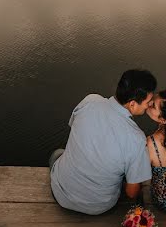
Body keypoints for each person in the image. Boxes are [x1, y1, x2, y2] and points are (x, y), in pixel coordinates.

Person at [49, 69, 156, 215]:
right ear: (132, 104)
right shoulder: (137, 139)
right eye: (148, 103)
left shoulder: (90, 101)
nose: (149, 106)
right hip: (98, 206)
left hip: (60, 192)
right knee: (127, 172)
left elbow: (74, 127)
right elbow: (131, 193)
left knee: (57, 153)